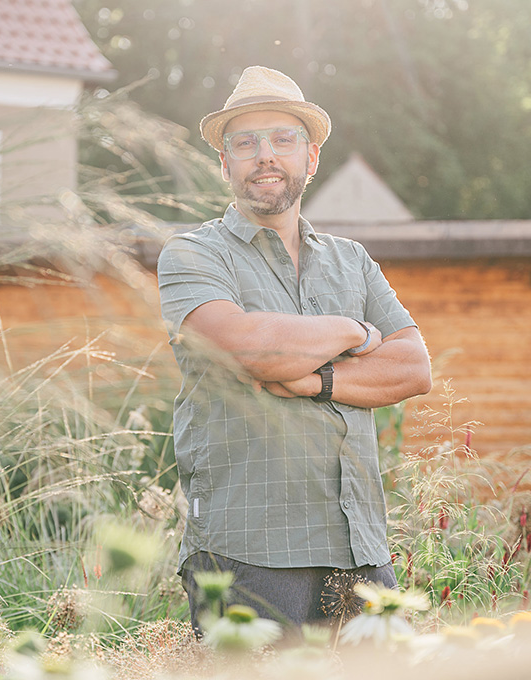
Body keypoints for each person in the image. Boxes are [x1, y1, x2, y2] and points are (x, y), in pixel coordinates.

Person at [157, 65, 432, 635]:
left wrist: (317, 380)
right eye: (246, 143)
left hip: (361, 550)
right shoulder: (193, 255)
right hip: (248, 553)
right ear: (225, 163)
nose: (265, 156)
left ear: (311, 158)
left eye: (284, 139)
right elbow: (250, 352)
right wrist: (355, 332)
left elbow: (413, 367)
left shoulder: (352, 260)